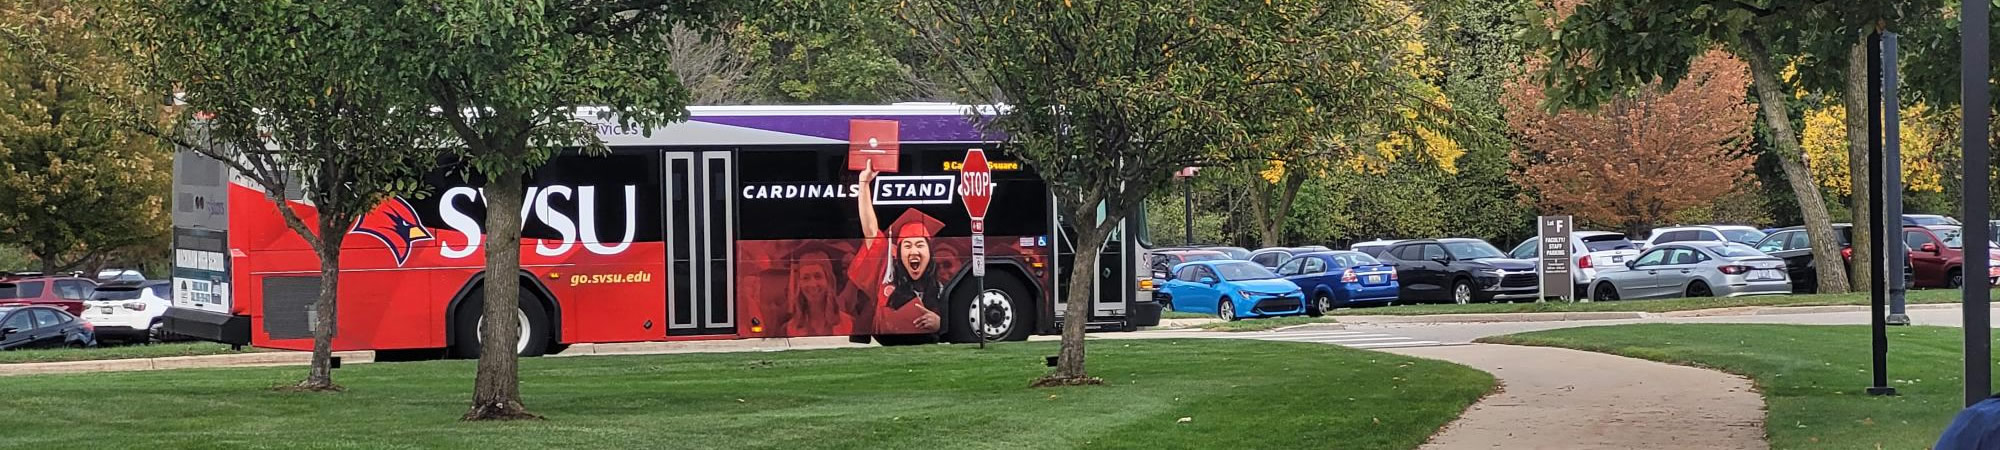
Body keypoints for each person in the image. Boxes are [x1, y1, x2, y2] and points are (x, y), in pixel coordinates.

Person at [850, 162, 944, 335]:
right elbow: (871, 230)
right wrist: (863, 183)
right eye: (907, 245)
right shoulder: (885, 276)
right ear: (898, 253)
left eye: (920, 245)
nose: (914, 251)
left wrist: (941, 324)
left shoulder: (942, 288)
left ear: (930, 253)